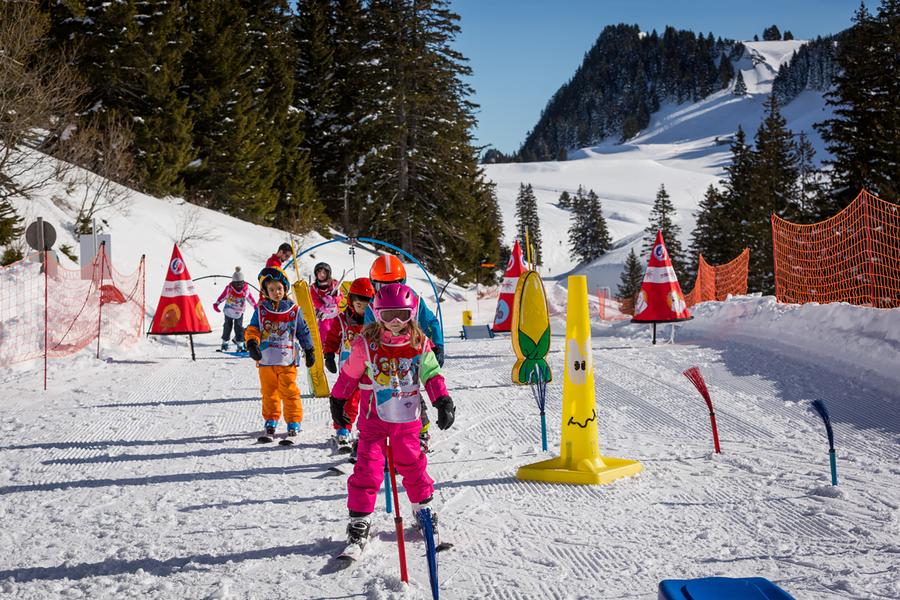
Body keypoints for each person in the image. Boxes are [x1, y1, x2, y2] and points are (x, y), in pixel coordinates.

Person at [329, 283, 455, 556]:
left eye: (401, 314)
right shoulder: (366, 344)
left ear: (411, 314)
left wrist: (441, 400)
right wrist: (338, 399)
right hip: (374, 419)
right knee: (367, 469)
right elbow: (350, 374)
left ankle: (423, 511)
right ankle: (359, 520)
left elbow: (431, 374)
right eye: (388, 315)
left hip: (407, 419)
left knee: (413, 466)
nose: (395, 322)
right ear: (377, 314)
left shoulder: (419, 343)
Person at [366, 254, 445, 452]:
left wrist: (438, 345)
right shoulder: (371, 306)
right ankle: (377, 441)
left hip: (410, 359)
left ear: (403, 282)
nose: (388, 290)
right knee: (383, 401)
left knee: (412, 398)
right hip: (383, 365)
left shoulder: (414, 301)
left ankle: (421, 433)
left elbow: (431, 322)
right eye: (381, 286)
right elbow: (366, 336)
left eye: (394, 283)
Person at [244, 267, 316, 443]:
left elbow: (303, 331)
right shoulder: (261, 311)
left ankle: (293, 422)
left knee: (289, 392)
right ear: (266, 292)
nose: (276, 292)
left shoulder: (293, 310)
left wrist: (309, 349)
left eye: (279, 289)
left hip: (286, 360)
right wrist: (252, 342)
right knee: (269, 393)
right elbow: (253, 328)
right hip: (266, 360)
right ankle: (271, 419)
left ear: (285, 288)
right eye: (272, 289)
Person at [323, 277, 375, 453]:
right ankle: (343, 427)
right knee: (348, 401)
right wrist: (329, 354)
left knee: (370, 402)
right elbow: (332, 338)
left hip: (369, 370)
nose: (362, 310)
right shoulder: (342, 320)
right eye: (359, 305)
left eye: (366, 306)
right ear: (352, 301)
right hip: (348, 370)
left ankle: (367, 431)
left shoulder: (374, 323)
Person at [212, 267, 257, 352]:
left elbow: (250, 298)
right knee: (227, 326)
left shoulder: (245, 290)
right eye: (236, 283)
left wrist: (255, 306)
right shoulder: (229, 289)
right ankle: (224, 344)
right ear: (233, 283)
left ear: (243, 282)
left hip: (239, 312)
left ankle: (240, 345)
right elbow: (223, 296)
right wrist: (217, 303)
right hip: (228, 310)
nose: (239, 286)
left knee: (239, 327)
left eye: (240, 283)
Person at [310, 262, 344, 346]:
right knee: (324, 330)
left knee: (336, 329)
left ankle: (336, 346)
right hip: (323, 315)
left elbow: (341, 296)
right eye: (319, 272)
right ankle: (322, 347)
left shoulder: (334, 284)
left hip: (335, 313)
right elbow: (314, 299)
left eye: (324, 273)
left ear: (328, 274)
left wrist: (334, 300)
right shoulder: (314, 287)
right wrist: (322, 307)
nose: (321, 274)